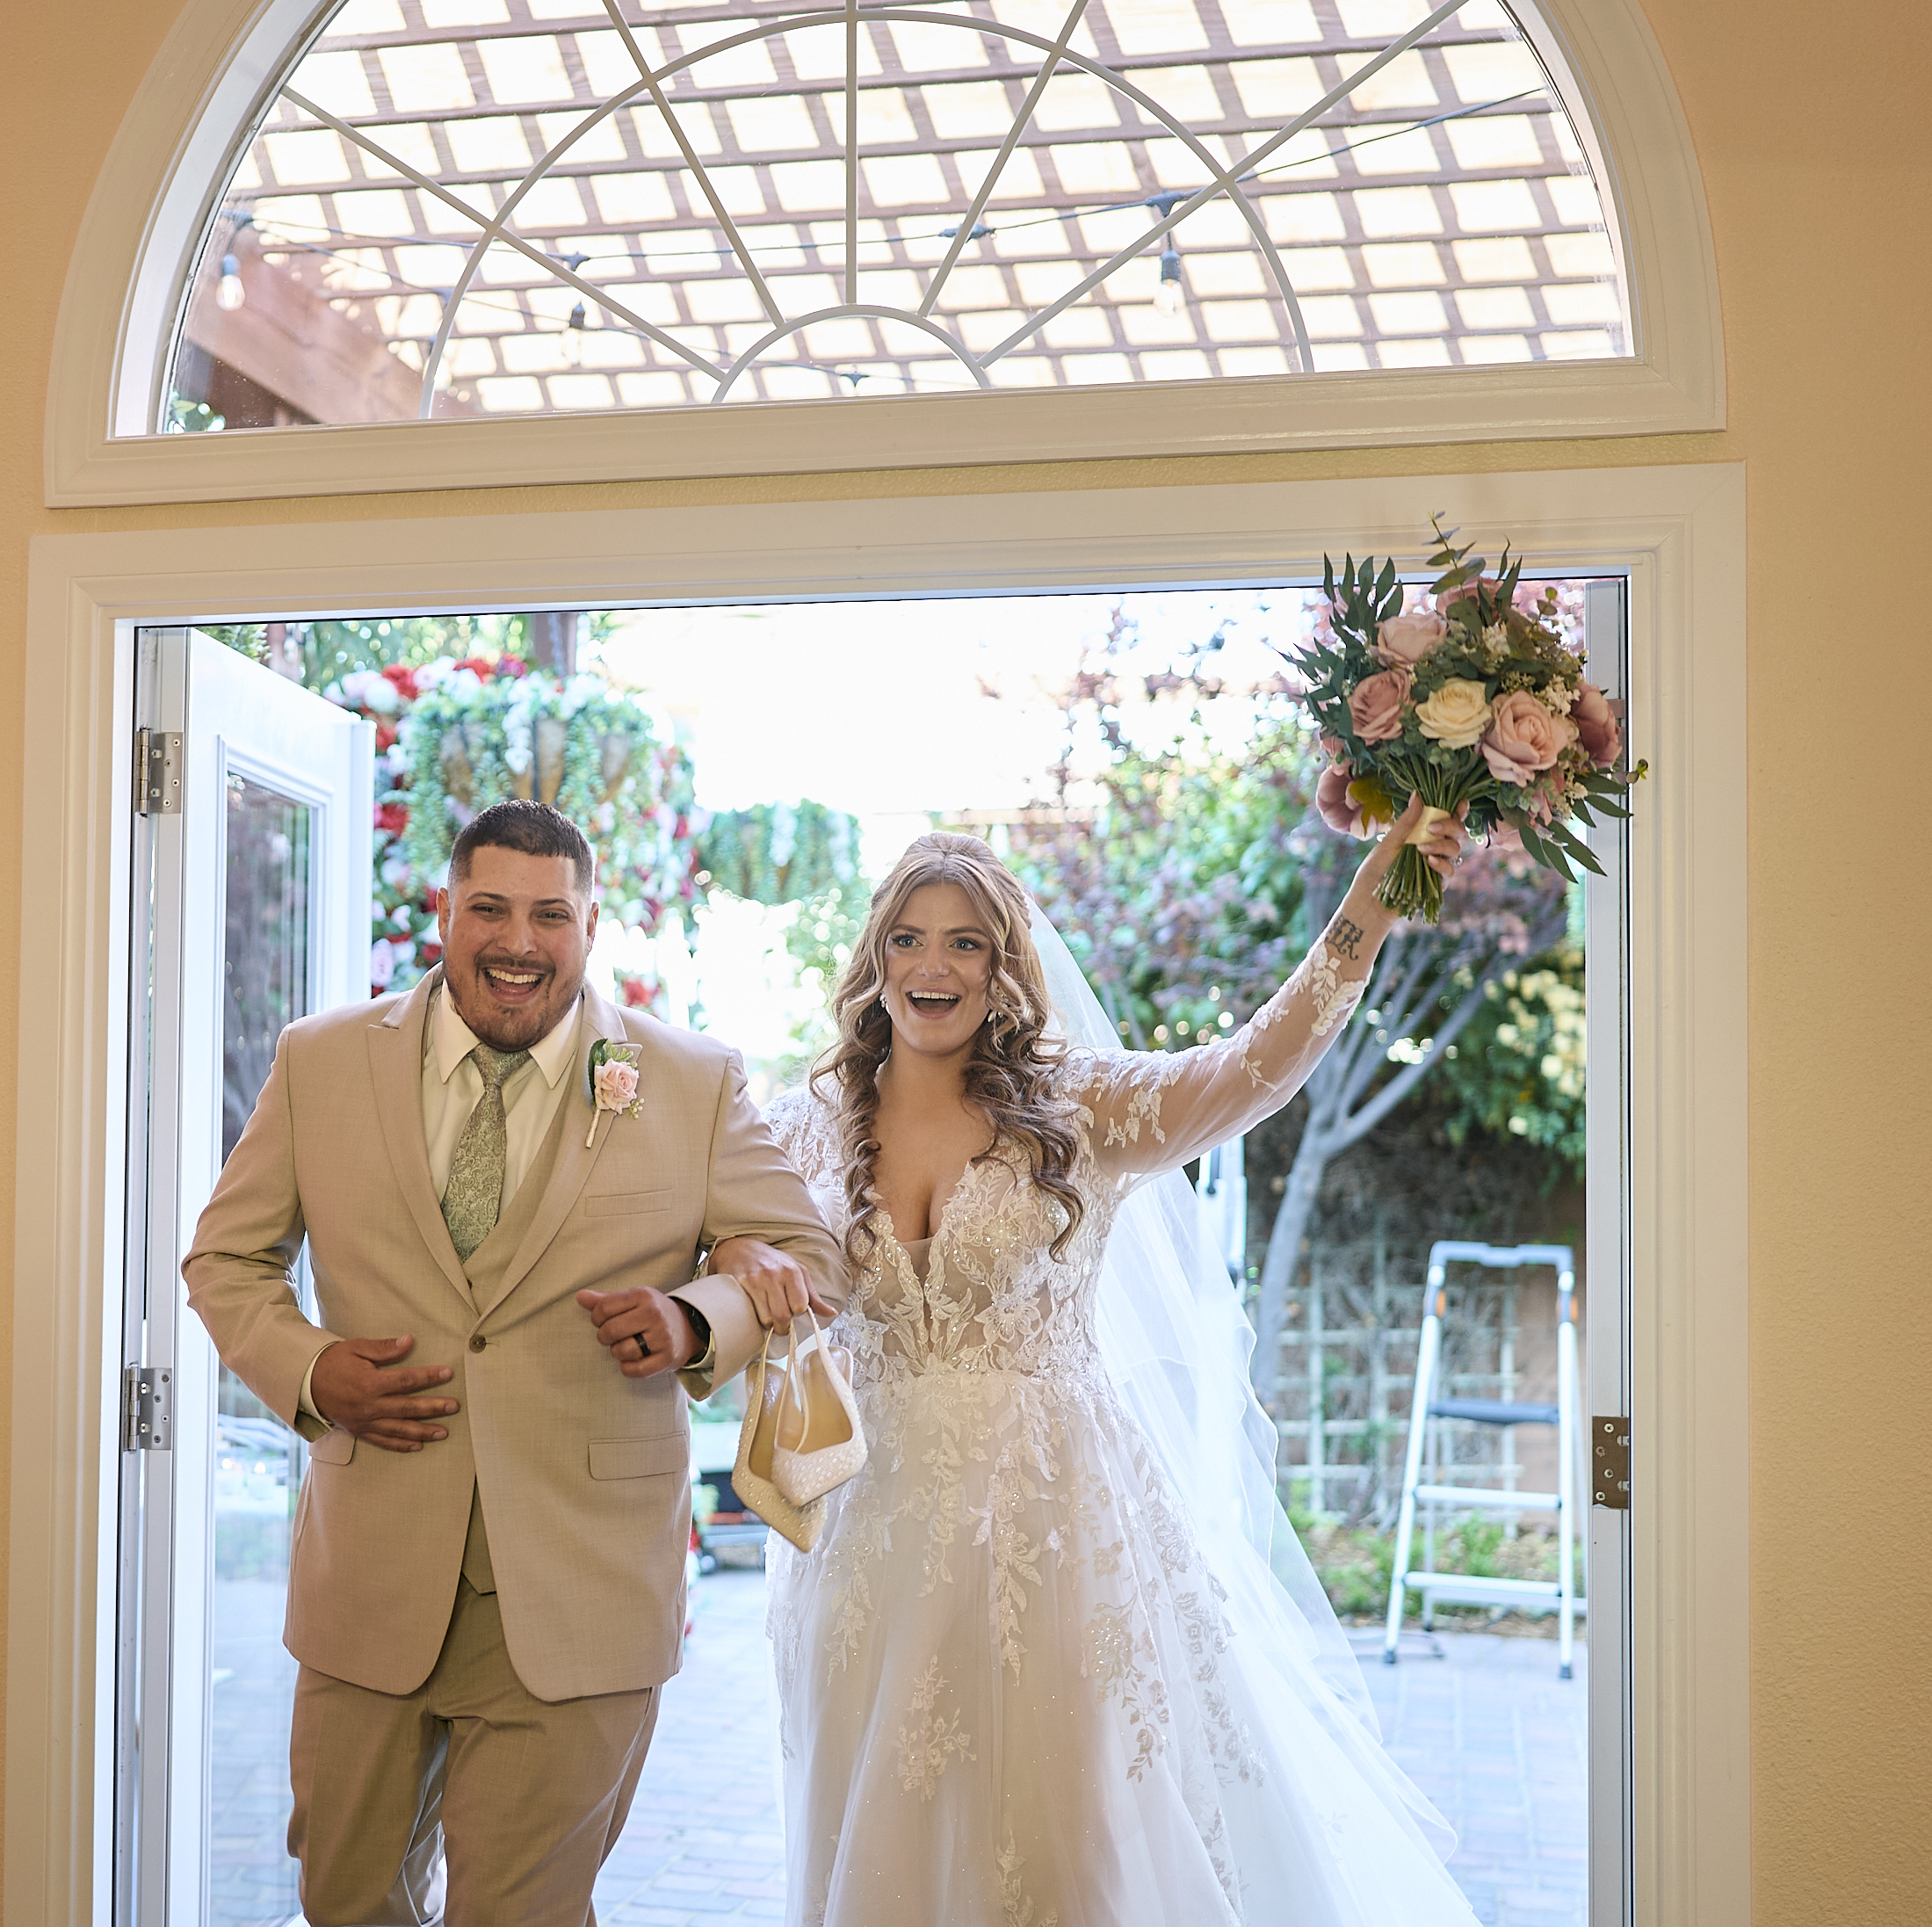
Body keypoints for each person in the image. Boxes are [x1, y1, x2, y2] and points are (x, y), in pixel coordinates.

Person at [712, 801, 1488, 1925]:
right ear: (874, 959)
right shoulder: (801, 1125)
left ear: (1003, 969)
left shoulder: (1077, 1106)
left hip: (1048, 1524)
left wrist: (1374, 893)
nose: (932, 966)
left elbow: (1255, 1064)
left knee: (1067, 1825)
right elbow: (722, 1241)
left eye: (964, 942)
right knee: (875, 1824)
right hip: (861, 1536)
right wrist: (727, 1258)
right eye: (908, 939)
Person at [186, 800, 849, 1926]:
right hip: (370, 1573)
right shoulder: (318, 1060)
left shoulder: (690, 1078)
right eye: (488, 908)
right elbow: (226, 1258)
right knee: (343, 1899)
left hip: (581, 1584)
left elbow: (805, 1255)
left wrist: (695, 1320)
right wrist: (307, 1370)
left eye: (549, 914)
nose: (517, 940)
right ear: (443, 913)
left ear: (590, 925)